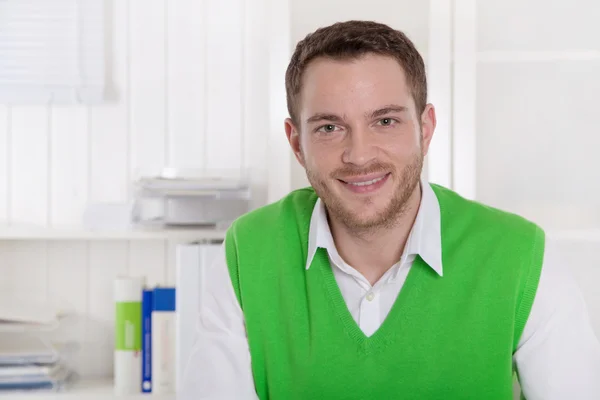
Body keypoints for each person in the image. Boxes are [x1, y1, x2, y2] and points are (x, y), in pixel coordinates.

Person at [181, 20, 600, 399]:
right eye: (329, 127)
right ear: (296, 143)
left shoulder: (521, 256)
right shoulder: (247, 251)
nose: (359, 155)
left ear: (426, 128)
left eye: (385, 121)